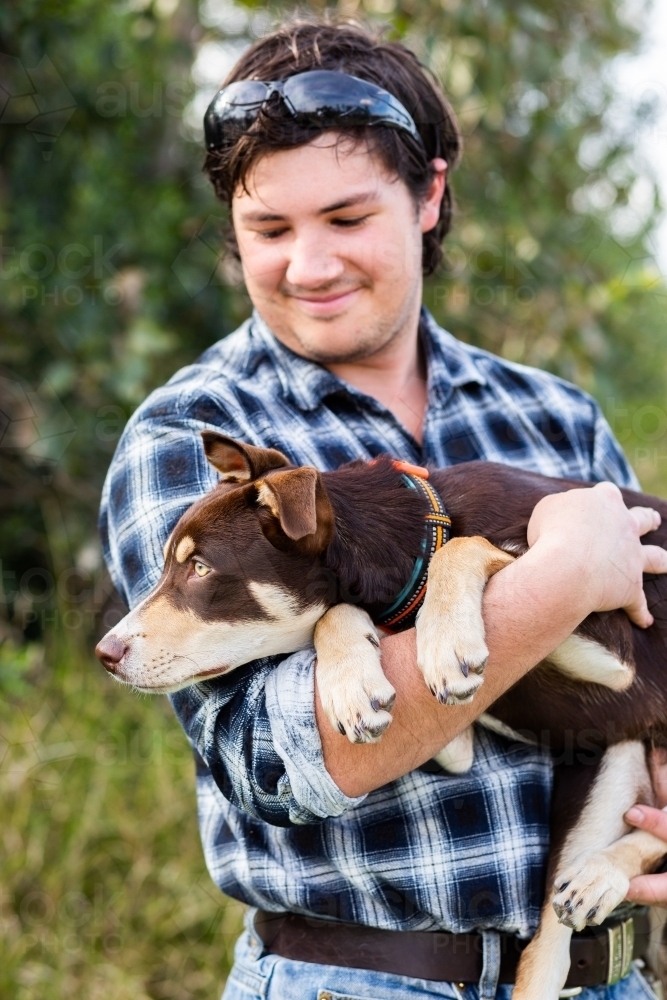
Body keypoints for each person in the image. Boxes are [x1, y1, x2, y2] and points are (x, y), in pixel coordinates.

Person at [99, 18, 667, 1000]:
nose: (308, 266)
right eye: (268, 230)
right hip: (356, 982)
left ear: (428, 195)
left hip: (595, 978)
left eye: (346, 219)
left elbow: (645, 673)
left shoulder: (552, 414)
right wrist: (562, 574)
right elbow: (284, 760)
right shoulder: (197, 435)